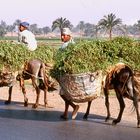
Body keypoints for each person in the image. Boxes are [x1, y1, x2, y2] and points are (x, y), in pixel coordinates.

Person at [59, 28, 79, 120]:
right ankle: (66, 113)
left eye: (64, 35)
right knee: (66, 94)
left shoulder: (65, 46)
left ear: (69, 36)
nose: (62, 37)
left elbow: (59, 59)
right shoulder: (74, 44)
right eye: (61, 35)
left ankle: (74, 106)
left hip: (66, 73)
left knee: (62, 94)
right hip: (72, 72)